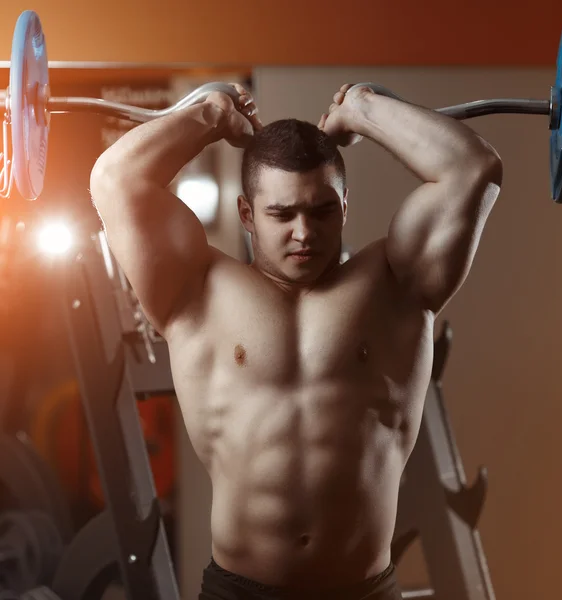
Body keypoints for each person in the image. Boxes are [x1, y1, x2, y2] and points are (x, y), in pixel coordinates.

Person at [90, 81, 502, 599]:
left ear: (345, 208)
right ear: (247, 215)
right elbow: (113, 179)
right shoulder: (196, 291)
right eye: (282, 214)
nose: (304, 232)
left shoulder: (396, 286)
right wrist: (210, 117)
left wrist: (364, 111)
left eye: (322, 211)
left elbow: (474, 170)